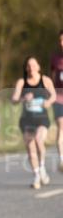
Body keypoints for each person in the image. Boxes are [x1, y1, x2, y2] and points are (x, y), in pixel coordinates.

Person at [11, 57, 57, 189]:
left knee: (38, 140)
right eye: (28, 66)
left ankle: (42, 166)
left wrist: (48, 102)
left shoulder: (45, 80)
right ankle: (37, 175)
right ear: (26, 68)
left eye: (33, 65)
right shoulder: (21, 82)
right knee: (30, 147)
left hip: (42, 118)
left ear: (38, 67)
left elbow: (53, 95)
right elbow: (13, 99)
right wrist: (22, 98)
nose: (31, 68)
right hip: (27, 119)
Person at [51, 31, 63, 173]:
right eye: (60, 40)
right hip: (59, 98)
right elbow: (52, 78)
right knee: (61, 126)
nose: (62, 43)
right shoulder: (55, 59)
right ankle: (61, 159)